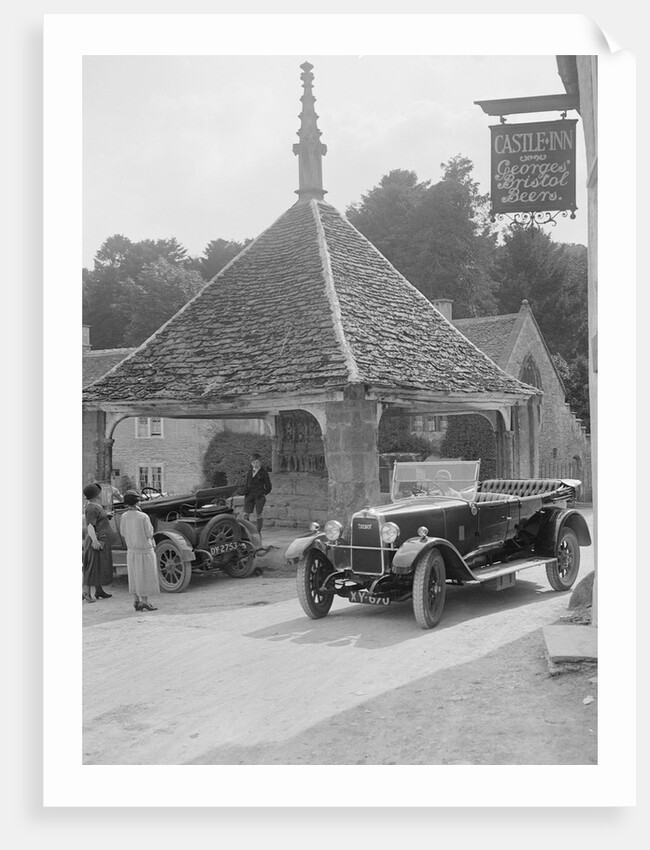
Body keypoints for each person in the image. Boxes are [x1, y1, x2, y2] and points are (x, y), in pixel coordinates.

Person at [119, 490, 160, 612]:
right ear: (137, 502)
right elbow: (149, 533)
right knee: (145, 576)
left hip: (131, 550)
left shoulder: (124, 516)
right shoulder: (143, 516)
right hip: (144, 549)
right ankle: (145, 601)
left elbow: (122, 533)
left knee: (134, 575)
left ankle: (136, 600)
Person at [82, 482, 114, 602]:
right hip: (97, 540)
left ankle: (99, 591)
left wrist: (107, 515)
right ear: (96, 495)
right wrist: (94, 541)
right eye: (99, 493)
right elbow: (90, 526)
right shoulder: (91, 508)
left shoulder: (96, 506)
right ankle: (86, 593)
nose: (101, 495)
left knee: (99, 566)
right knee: (92, 567)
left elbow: (99, 518)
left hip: (102, 540)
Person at [242, 452, 272, 535]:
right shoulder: (249, 472)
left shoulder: (264, 473)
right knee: (245, 513)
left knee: (258, 513)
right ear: (251, 463)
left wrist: (263, 493)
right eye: (253, 462)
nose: (255, 464)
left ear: (260, 462)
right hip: (249, 494)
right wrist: (245, 492)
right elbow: (246, 483)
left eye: (257, 462)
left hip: (259, 495)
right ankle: (248, 530)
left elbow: (268, 486)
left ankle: (258, 531)